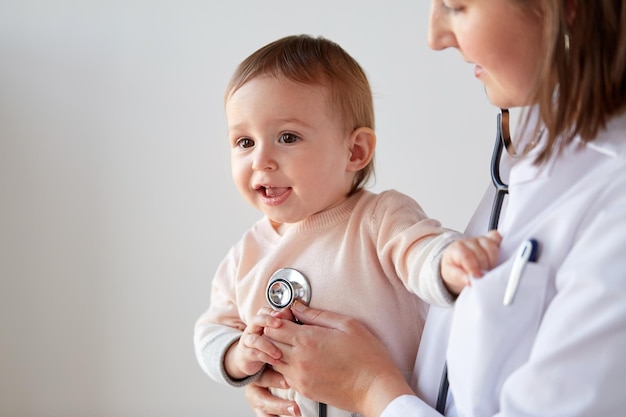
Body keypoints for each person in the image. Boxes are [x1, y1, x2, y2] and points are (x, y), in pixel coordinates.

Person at [246, 1, 626, 417]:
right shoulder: (531, 155)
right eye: (243, 142)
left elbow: (427, 258)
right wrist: (266, 364)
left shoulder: (611, 199)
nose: (435, 37)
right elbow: (217, 331)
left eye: (456, 5)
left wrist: (366, 388)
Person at [194, 34, 501, 417]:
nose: (261, 159)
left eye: (287, 137)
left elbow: (420, 250)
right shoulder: (246, 253)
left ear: (354, 151)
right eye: (243, 142)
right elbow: (211, 332)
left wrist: (449, 262)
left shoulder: (379, 219)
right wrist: (239, 357)